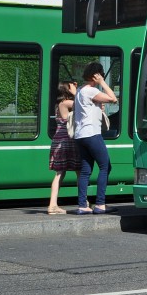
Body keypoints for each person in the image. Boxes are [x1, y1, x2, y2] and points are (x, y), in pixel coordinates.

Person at [72, 62, 117, 215]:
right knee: (105, 166)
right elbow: (113, 99)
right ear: (96, 75)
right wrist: (102, 83)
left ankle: (82, 205)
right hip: (92, 134)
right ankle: (100, 204)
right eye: (100, 75)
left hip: (80, 136)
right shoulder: (90, 91)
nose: (102, 77)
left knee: (86, 171)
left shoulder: (79, 91)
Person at [45, 81, 77, 215]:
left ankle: (53, 204)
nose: (76, 85)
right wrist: (76, 93)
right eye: (73, 84)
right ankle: (83, 201)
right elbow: (83, 104)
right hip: (67, 141)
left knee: (60, 173)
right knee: (79, 170)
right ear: (67, 89)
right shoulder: (66, 103)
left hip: (59, 140)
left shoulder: (59, 104)